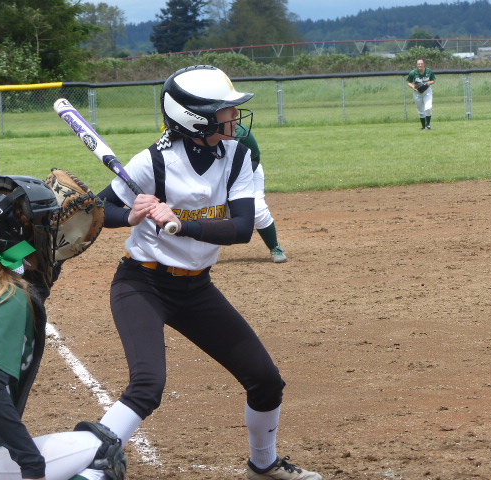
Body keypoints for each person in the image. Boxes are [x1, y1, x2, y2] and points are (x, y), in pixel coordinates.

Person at [74, 65, 321, 480]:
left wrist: (180, 223)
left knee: (266, 381)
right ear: (195, 119)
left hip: (197, 290)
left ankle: (263, 465)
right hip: (142, 284)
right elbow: (96, 212)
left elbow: (242, 229)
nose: (234, 117)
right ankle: (87, 468)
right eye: (224, 110)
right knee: (148, 385)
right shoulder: (153, 161)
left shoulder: (238, 156)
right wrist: (130, 215)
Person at [0, 175, 126, 480]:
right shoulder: (8, 297)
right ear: (29, 236)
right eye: (46, 227)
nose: (52, 235)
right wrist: (32, 466)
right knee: (103, 452)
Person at [236, 123, 287, 263]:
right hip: (215, 175)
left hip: (246, 172)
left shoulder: (240, 131)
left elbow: (255, 158)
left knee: (256, 208)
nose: (234, 116)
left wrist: (237, 179)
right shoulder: (198, 132)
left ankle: (274, 246)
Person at [406, 59, 436, 130]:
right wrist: (413, 87)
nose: (420, 65)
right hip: (417, 92)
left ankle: (428, 125)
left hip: (427, 91)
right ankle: (423, 126)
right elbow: (409, 82)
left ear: (424, 64)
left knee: (428, 107)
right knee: (421, 110)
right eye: (418, 64)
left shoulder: (429, 71)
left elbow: (433, 80)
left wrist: (427, 83)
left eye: (421, 63)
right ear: (417, 65)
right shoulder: (413, 72)